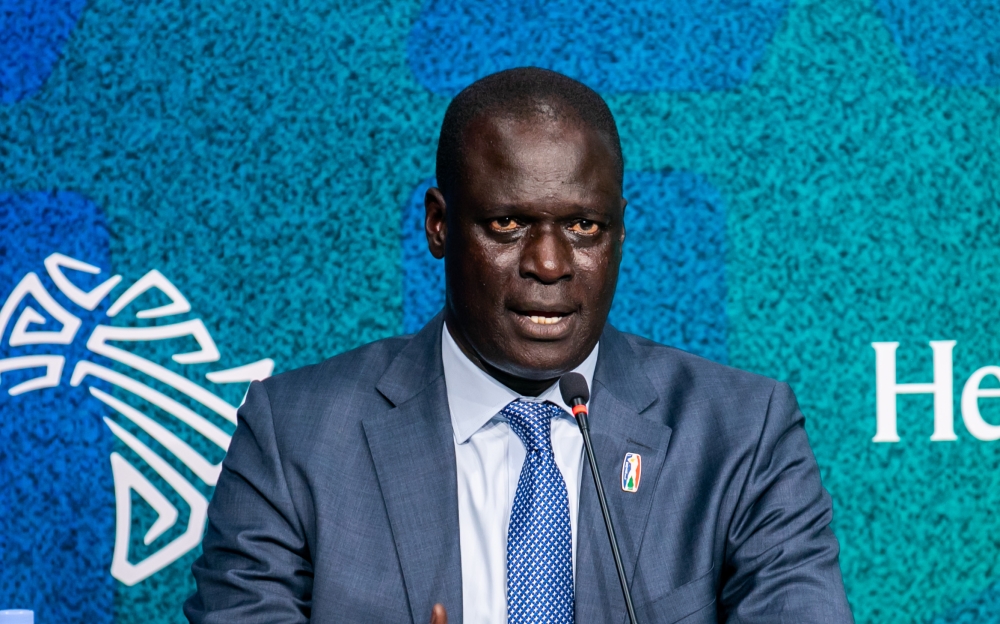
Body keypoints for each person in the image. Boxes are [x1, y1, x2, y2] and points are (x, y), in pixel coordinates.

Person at [185, 67, 854, 623]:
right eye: (507, 224)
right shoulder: (294, 437)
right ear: (439, 225)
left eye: (584, 227)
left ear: (620, 232)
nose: (549, 264)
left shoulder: (742, 436)